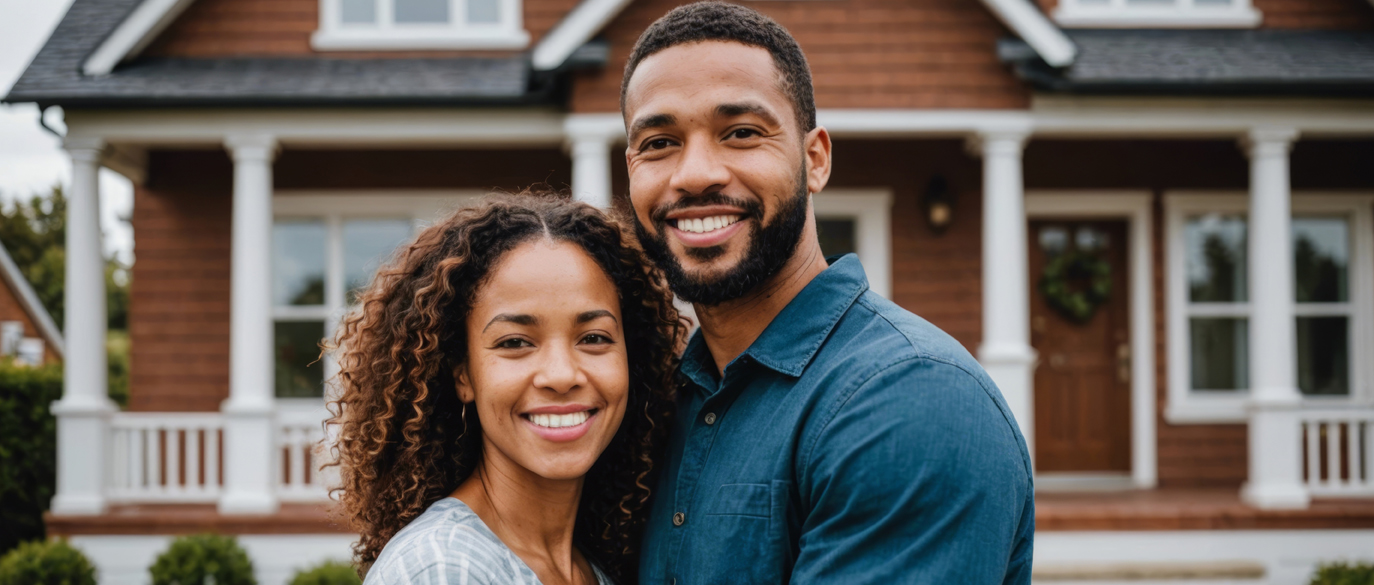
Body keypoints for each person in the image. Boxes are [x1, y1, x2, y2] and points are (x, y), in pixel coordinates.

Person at [620, 3, 1034, 583]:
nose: (694, 174)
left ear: (814, 160)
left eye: (740, 133)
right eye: (659, 142)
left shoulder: (911, 399)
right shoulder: (659, 400)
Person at [326, 192, 686, 585]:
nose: (562, 375)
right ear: (463, 374)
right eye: (515, 342)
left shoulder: (591, 568)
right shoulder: (446, 569)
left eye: (594, 337)